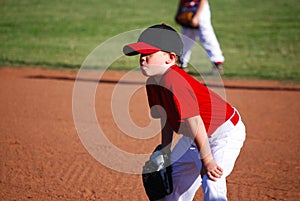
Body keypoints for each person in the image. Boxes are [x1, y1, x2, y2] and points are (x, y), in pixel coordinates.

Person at [123, 24, 246, 201]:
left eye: (149, 54)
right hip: (194, 136)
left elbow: (195, 121)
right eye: (141, 55)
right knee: (172, 192)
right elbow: (165, 117)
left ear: (170, 58)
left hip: (222, 133)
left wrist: (207, 160)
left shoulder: (175, 80)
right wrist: (165, 150)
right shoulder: (152, 83)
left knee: (212, 179)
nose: (143, 59)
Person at [177, 0, 225, 74]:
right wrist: (179, 12)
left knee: (207, 37)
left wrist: (196, 16)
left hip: (200, 8)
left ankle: (217, 63)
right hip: (187, 7)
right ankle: (182, 64)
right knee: (186, 38)